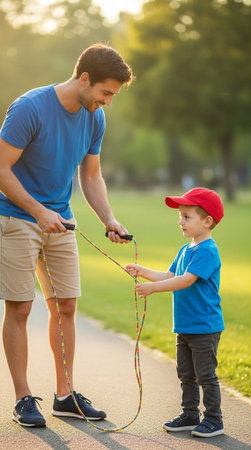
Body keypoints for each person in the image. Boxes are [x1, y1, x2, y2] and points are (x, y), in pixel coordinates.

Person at [0, 43, 134, 428]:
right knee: (21, 308)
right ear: (84, 78)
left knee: (66, 306)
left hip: (61, 219)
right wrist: (38, 211)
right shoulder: (30, 107)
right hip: (16, 216)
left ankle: (65, 395)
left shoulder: (95, 118)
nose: (108, 101)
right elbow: (2, 168)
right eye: (106, 93)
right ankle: (23, 398)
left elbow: (90, 175)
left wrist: (109, 218)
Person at [126, 187, 225, 438]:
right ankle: (190, 415)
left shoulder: (207, 250)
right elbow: (170, 275)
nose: (180, 221)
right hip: (185, 326)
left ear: (207, 221)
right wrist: (143, 270)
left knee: (205, 375)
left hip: (205, 326)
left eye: (186, 216)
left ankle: (214, 419)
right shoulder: (185, 250)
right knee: (186, 374)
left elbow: (186, 280)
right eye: (180, 216)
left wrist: (153, 289)